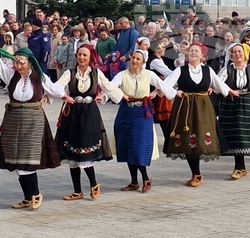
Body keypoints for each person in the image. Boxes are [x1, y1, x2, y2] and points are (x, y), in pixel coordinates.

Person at [0, 44, 65, 209]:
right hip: (14, 122)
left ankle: (35, 194)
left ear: (30, 62)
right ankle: (28, 197)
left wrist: (65, 97)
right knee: (15, 161)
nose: (18, 66)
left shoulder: (39, 77)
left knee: (28, 160)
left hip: (33, 122)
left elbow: (55, 89)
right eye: (17, 62)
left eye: (22, 63)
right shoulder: (11, 75)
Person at [53, 43, 123, 200]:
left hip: (90, 115)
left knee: (85, 150)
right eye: (79, 55)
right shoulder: (69, 73)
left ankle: (93, 184)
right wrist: (64, 96)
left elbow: (110, 88)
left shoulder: (96, 73)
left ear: (90, 57)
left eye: (84, 55)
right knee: (72, 154)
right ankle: (77, 191)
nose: (81, 58)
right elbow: (56, 87)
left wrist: (104, 96)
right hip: (72, 115)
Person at [164, 43, 233, 186]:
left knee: (202, 137)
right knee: (188, 139)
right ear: (187, 54)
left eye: (197, 51)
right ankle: (196, 173)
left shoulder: (208, 70)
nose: (194, 53)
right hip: (186, 108)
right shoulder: (180, 70)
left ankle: (197, 172)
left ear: (202, 56)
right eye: (191, 51)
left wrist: (228, 92)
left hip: (203, 108)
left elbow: (221, 86)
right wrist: (175, 92)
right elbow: (165, 84)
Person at [110, 48, 175, 192]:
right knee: (127, 145)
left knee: (139, 146)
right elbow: (111, 87)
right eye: (133, 58)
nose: (134, 61)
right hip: (126, 112)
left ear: (143, 62)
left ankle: (145, 177)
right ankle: (134, 181)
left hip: (142, 113)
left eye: (138, 59)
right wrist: (120, 94)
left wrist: (157, 92)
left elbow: (165, 85)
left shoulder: (149, 75)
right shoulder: (122, 75)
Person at [215, 43, 250, 177]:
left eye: (239, 52)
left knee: (247, 134)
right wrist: (229, 90)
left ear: (245, 54)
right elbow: (217, 84)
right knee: (235, 135)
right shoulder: (226, 70)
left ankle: (246, 164)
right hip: (231, 104)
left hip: (248, 103)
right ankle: (239, 167)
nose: (237, 54)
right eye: (234, 52)